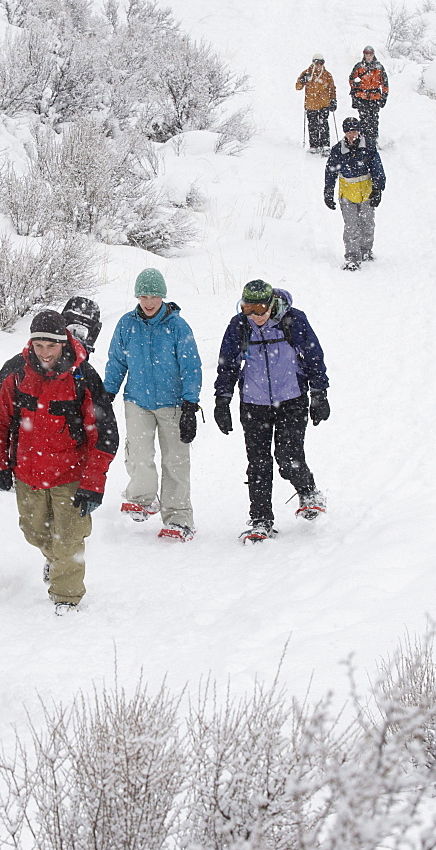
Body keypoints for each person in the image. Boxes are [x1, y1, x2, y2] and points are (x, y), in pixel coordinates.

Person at [0, 309, 118, 614]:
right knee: (34, 532)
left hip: (71, 475)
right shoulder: (14, 372)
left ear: (64, 343)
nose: (45, 353)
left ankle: (66, 598)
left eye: (52, 346)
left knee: (69, 539)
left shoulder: (84, 376)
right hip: (28, 472)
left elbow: (105, 435)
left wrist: (93, 483)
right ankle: (54, 558)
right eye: (39, 346)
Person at [214, 280, 329, 545]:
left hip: (292, 399)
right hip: (254, 404)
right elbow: (228, 364)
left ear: (272, 304)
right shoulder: (239, 326)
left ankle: (308, 491)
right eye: (248, 309)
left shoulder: (293, 320)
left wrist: (319, 393)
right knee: (258, 464)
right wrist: (222, 400)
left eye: (260, 308)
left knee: (288, 457)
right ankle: (261, 519)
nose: (255, 316)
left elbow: (313, 357)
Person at [103, 268, 202, 542]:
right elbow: (116, 361)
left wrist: (191, 406)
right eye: (144, 295)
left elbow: (191, 367)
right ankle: (142, 498)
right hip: (137, 401)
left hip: (173, 403)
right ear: (137, 296)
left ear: (163, 296)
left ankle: (179, 518)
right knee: (138, 453)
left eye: (154, 296)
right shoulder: (126, 324)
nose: (148, 302)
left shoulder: (177, 327)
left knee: (176, 461)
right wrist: (107, 393)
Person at [324, 116, 386, 271]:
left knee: (368, 224)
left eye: (355, 131)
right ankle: (352, 257)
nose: (352, 134)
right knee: (351, 226)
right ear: (345, 133)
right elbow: (330, 172)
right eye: (349, 132)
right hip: (347, 195)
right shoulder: (338, 150)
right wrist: (328, 192)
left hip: (366, 193)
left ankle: (366, 251)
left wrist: (378, 189)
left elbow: (377, 169)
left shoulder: (369, 147)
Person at [295, 55, 337, 154]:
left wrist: (333, 100)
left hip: (324, 103)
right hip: (311, 104)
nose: (319, 65)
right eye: (317, 63)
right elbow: (298, 87)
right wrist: (302, 80)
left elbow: (332, 88)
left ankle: (325, 145)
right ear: (313, 63)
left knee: (324, 124)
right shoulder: (307, 73)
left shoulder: (327, 75)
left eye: (321, 63)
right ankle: (314, 145)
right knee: (313, 125)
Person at [348, 45, 389, 146]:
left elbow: (385, 83)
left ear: (373, 55)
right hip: (362, 97)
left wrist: (384, 96)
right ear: (364, 55)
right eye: (367, 54)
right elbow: (351, 79)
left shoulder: (379, 67)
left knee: (374, 120)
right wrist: (357, 85)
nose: (369, 56)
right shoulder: (359, 67)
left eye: (370, 54)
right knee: (363, 120)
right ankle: (364, 140)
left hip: (375, 97)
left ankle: (373, 141)